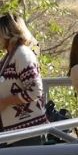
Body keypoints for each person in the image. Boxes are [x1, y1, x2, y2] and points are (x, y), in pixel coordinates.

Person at [0, 14, 49, 146]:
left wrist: (4, 102)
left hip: (28, 133)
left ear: (6, 33)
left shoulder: (22, 54)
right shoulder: (8, 58)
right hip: (13, 133)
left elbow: (35, 90)